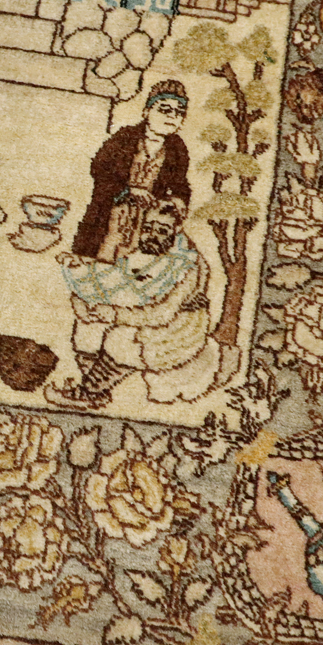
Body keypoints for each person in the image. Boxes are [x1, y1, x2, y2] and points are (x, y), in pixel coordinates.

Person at [47, 198, 222, 408]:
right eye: (148, 228)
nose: (153, 235)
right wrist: (83, 283)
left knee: (121, 341)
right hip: (141, 313)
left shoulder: (186, 265)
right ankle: (94, 387)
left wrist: (114, 314)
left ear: (177, 229)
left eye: (162, 230)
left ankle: (89, 391)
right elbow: (117, 280)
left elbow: (162, 314)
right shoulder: (146, 251)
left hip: (178, 327)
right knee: (87, 326)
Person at [70, 79, 192, 263]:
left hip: (147, 222)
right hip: (112, 214)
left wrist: (178, 199)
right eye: (164, 109)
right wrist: (129, 190)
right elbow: (100, 169)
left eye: (179, 112)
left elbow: (180, 184)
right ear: (146, 112)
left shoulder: (177, 148)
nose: (172, 116)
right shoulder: (125, 137)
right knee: (101, 261)